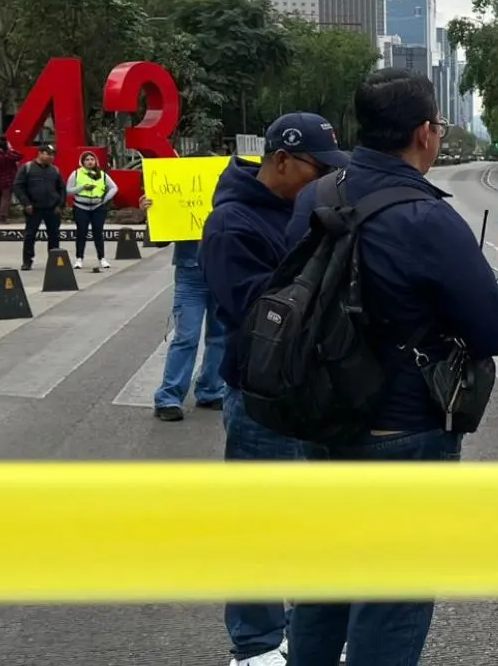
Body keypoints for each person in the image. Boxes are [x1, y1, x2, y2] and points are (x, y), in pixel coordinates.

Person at [282, 69, 498, 666]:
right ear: (424, 133)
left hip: (323, 419)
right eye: (437, 125)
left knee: (323, 586)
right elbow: (496, 329)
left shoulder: (317, 195)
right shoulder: (427, 218)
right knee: (391, 596)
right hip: (403, 433)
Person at [198, 113, 350, 666]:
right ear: (281, 161)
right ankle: (256, 643)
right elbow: (256, 310)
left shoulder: (308, 210)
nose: (327, 181)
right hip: (262, 396)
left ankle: (297, 629)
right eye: (319, 169)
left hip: (314, 393)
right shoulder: (232, 224)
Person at [139, 177, 227, 422]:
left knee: (220, 335)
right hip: (191, 275)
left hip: (223, 273)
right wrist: (152, 214)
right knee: (186, 336)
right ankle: (168, 397)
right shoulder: (179, 197)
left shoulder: (232, 198)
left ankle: (211, 390)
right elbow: (159, 239)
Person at [12, 144, 65, 271]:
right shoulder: (28, 168)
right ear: (40, 153)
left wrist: (60, 204)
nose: (51, 157)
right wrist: (26, 203)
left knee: (54, 235)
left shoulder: (55, 170)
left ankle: (54, 260)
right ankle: (27, 261)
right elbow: (18, 187)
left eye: (53, 155)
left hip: (52, 208)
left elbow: (61, 188)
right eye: (48, 154)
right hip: (34, 208)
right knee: (30, 235)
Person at [65, 150, 119, 270]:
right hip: (81, 207)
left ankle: (102, 258)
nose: (90, 162)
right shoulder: (76, 174)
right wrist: (82, 188)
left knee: (98, 233)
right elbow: (68, 191)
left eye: (92, 159)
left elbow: (114, 187)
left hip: (98, 207)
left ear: (95, 161)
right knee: (81, 233)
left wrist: (104, 199)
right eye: (87, 160)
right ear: (82, 162)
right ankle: (79, 259)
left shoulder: (102, 174)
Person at [0, 138, 23, 223]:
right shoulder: (7, 155)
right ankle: (3, 217)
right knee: (5, 198)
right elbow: (20, 155)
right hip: (7, 180)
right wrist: (11, 149)